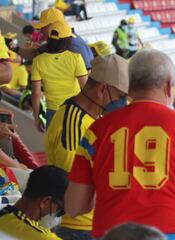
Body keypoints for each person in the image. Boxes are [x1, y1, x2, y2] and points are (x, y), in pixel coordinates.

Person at [65, 49, 175, 240]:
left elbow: (75, 206)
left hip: (112, 234)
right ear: (169, 86)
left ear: (130, 86)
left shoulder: (96, 131)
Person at [45, 54, 128, 240]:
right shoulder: (73, 124)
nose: (123, 103)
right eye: (120, 96)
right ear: (102, 89)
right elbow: (71, 183)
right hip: (77, 227)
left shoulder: (91, 118)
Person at [31, 20, 88, 131]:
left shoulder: (38, 61)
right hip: (73, 110)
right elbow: (85, 89)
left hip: (52, 112)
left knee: (53, 147)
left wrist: (36, 117)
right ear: (67, 40)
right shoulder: (76, 58)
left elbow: (36, 93)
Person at [0, 165, 68, 240]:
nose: (58, 215)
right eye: (60, 210)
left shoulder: (3, 215)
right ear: (45, 201)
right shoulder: (43, 237)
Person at [16, 8, 94, 70]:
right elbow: (34, 54)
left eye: (43, 27)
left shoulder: (75, 45)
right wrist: (13, 48)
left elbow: (87, 75)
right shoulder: (57, 42)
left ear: (54, 26)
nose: (41, 31)